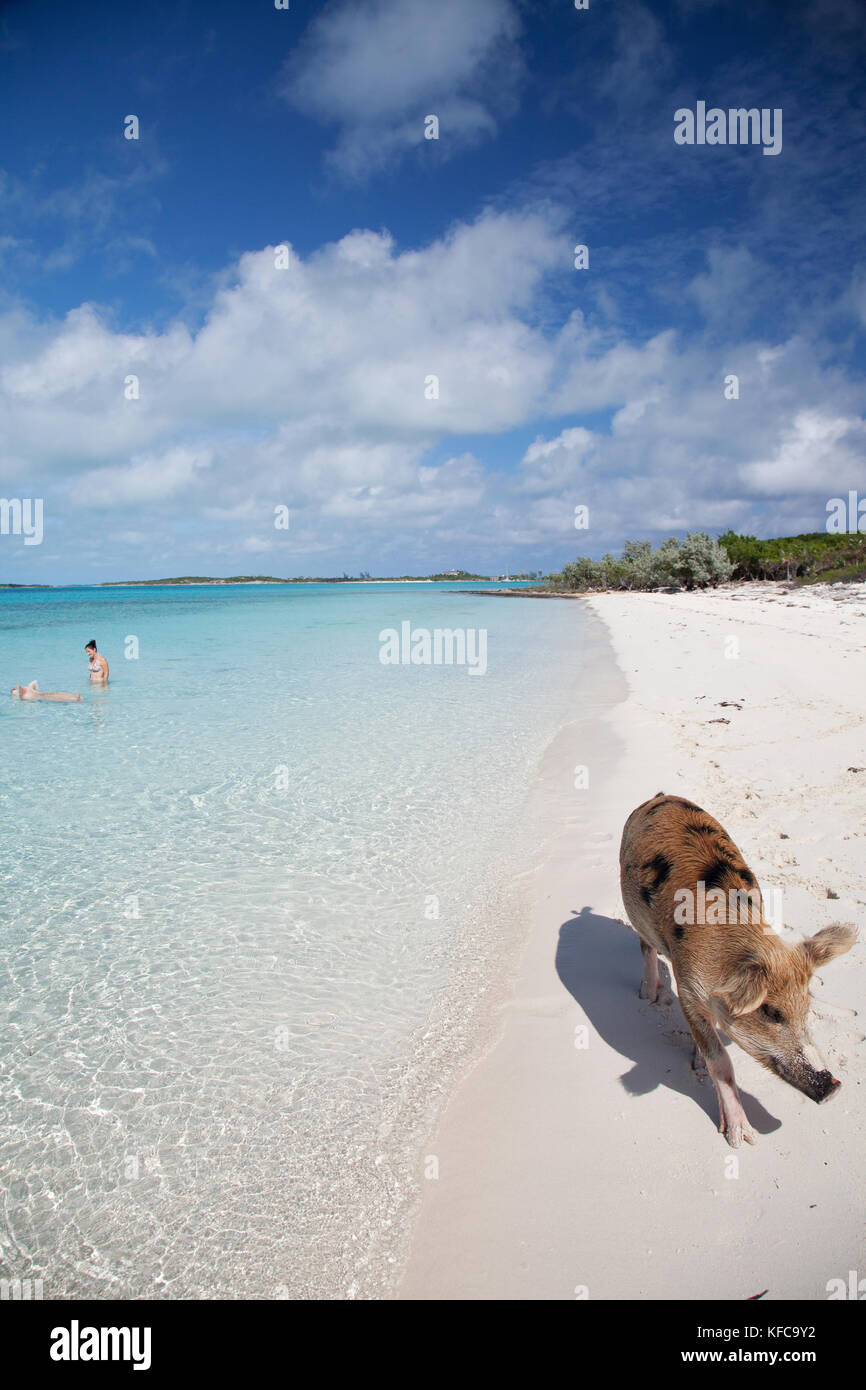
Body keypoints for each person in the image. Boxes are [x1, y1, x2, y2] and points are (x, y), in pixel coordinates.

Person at [11, 681, 81, 703]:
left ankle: (75, 698)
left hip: (40, 697)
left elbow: (23, 696)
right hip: (41, 695)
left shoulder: (24, 693)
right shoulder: (30, 688)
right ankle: (76, 697)